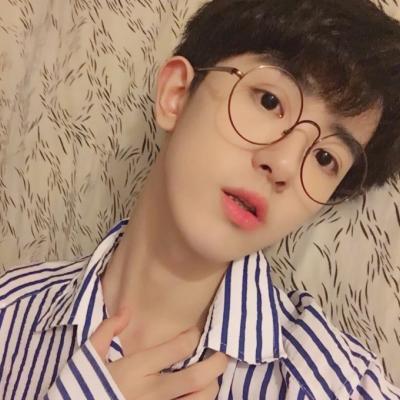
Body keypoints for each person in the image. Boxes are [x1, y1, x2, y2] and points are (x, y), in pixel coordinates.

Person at [1, 0, 400, 398]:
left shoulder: (339, 384)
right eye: (269, 101)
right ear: (176, 94)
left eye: (325, 158)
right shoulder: (10, 314)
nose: (283, 165)